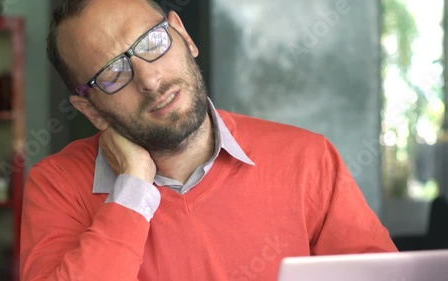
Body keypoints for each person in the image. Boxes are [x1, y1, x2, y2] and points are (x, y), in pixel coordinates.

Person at [20, 0, 398, 280]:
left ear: (183, 34)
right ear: (91, 111)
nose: (150, 80)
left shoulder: (308, 159)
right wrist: (132, 189)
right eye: (112, 73)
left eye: (152, 42)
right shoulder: (57, 185)